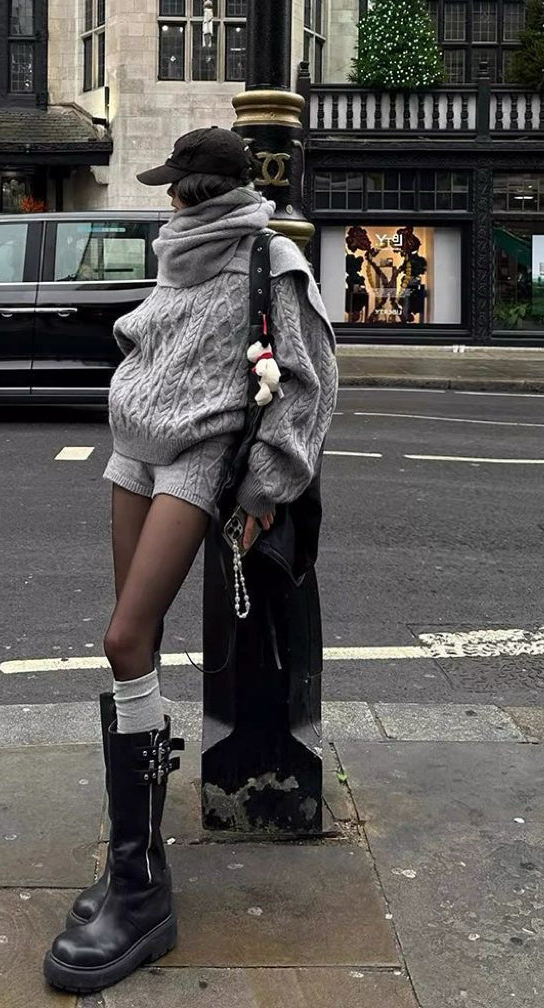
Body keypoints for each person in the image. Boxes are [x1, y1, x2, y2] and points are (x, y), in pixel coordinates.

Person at [43, 126, 338, 994]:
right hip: (134, 449)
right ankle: (132, 862)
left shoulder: (269, 260)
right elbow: (150, 337)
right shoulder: (178, 256)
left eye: (174, 187)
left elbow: (310, 382)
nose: (166, 199)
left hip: (198, 457)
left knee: (123, 639)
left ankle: (140, 889)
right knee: (137, 639)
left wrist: (261, 494)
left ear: (195, 192)